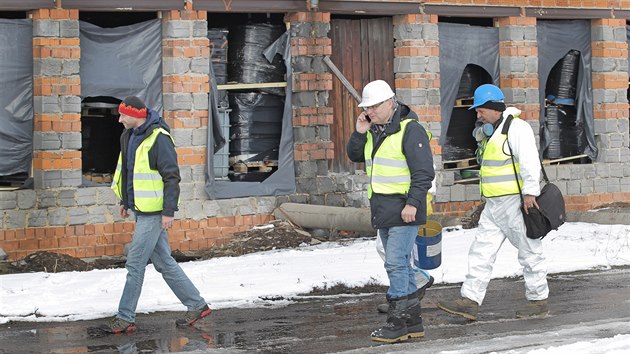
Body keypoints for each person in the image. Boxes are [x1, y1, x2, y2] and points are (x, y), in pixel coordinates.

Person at [437, 84, 549, 321]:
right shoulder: (494, 132)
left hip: (516, 203)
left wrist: (530, 194)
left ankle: (538, 301)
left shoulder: (517, 129)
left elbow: (530, 162)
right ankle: (469, 300)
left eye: (481, 110)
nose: (477, 115)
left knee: (530, 252)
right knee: (481, 251)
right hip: (494, 205)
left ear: (494, 108)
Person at [105, 96, 211, 333]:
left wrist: (168, 211)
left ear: (137, 116)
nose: (120, 120)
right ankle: (196, 305)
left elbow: (171, 177)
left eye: (124, 115)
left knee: (135, 263)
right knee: (163, 262)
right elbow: (129, 171)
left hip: (155, 213)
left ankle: (125, 317)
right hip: (141, 210)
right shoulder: (128, 136)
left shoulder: (159, 138)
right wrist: (125, 200)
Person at [346, 80, 435, 343]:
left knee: (395, 263)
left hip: (404, 209)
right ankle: (413, 322)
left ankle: (396, 323)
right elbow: (355, 155)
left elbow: (423, 173)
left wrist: (413, 204)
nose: (369, 112)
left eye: (373, 107)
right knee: (402, 266)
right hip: (383, 209)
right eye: (366, 108)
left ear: (389, 103)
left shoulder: (410, 130)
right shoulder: (375, 130)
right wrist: (360, 131)